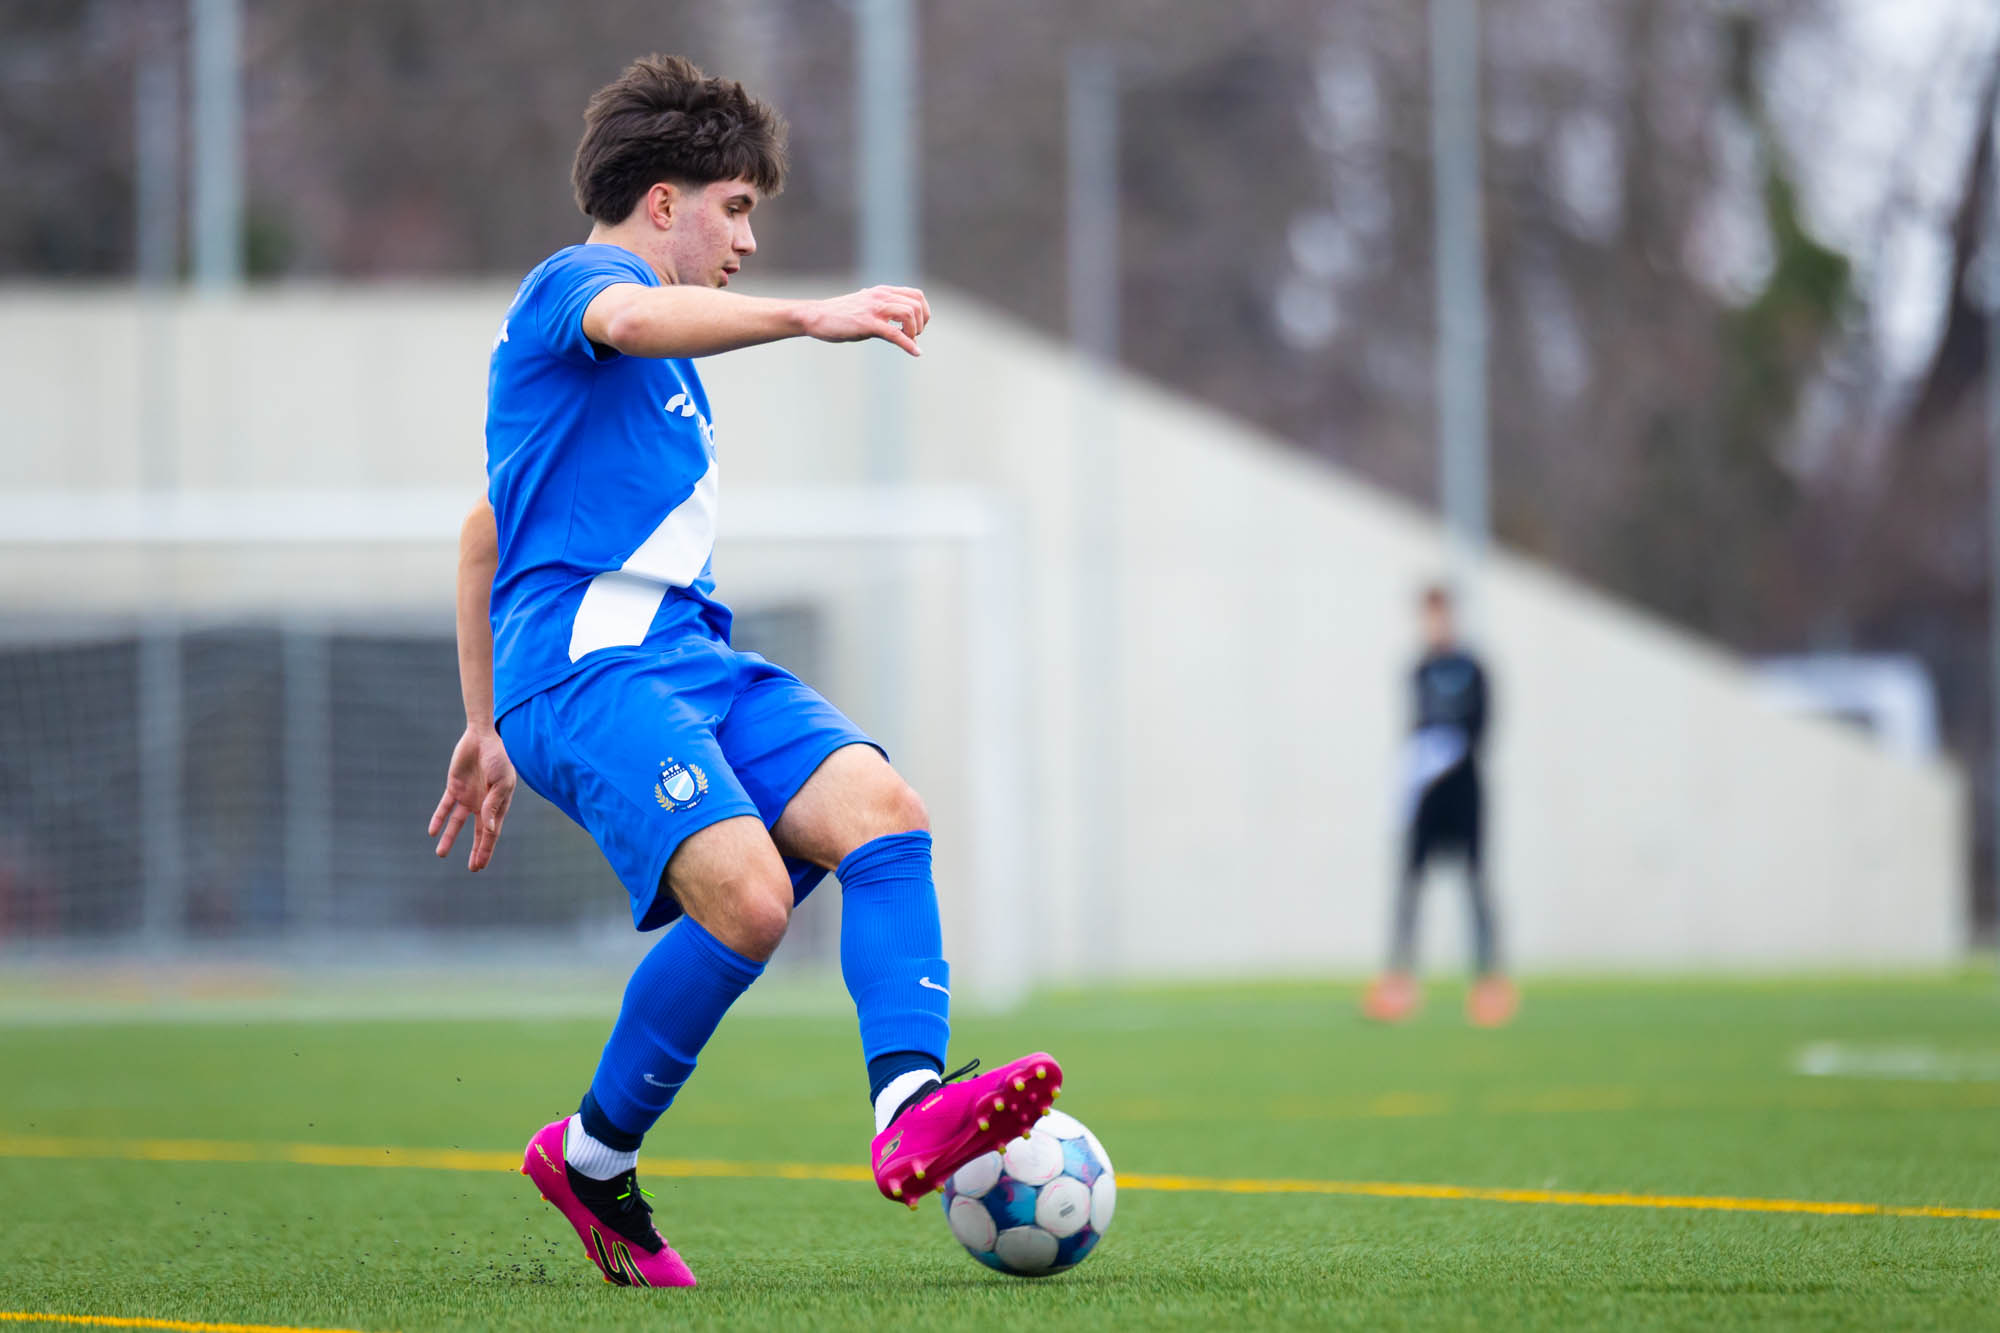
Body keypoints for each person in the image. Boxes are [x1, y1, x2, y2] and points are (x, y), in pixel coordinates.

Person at [427, 55, 1060, 1289]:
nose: (750, 240)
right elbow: (630, 316)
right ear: (661, 202)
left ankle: (902, 1110)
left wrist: (472, 723)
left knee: (884, 816)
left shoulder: (656, 367)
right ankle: (594, 1156)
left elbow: (482, 531)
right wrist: (813, 317)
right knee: (755, 900)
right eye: (736, 206)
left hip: (686, 657)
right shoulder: (581, 287)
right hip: (581, 672)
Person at [1362, 585, 1517, 1028]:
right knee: (1410, 885)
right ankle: (1399, 983)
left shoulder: (1473, 668)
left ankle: (1489, 984)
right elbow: (1412, 727)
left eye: (1440, 615)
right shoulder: (1418, 669)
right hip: (1426, 792)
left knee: (1475, 882)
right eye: (1427, 616)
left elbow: (1485, 725)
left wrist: (1453, 753)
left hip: (1464, 789)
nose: (1434, 624)